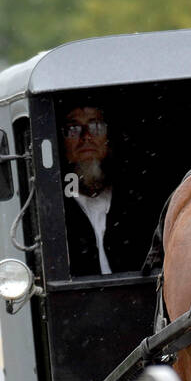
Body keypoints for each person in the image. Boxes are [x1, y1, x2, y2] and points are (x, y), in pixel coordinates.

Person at [62, 105, 145, 277]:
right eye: (73, 129)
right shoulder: (56, 210)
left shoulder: (137, 202)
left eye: (96, 126)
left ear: (109, 139)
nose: (86, 137)